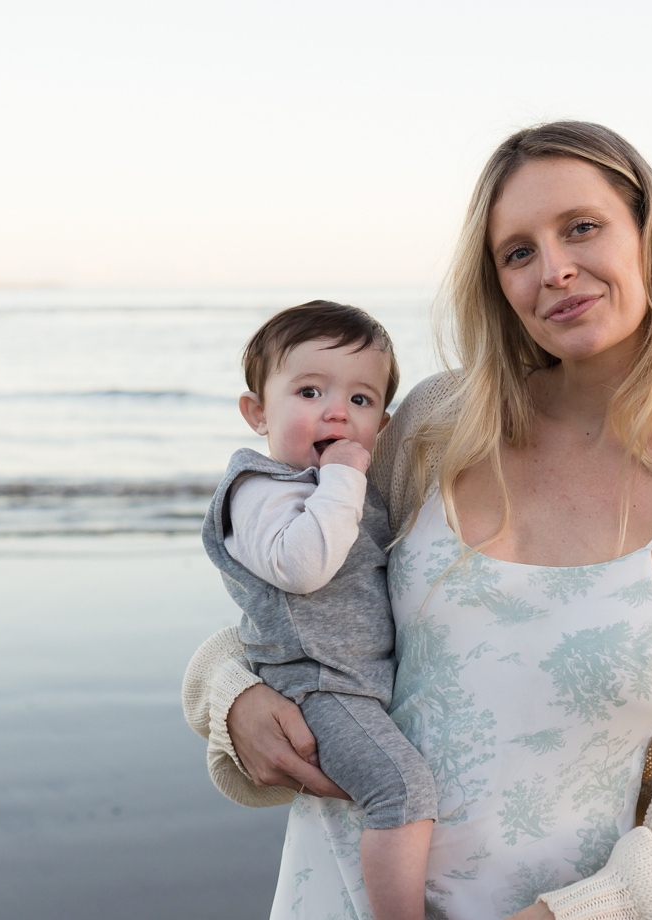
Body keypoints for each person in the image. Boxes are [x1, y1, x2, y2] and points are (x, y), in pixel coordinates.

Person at [181, 121, 652, 920]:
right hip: (329, 891)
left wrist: (572, 916)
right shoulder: (439, 425)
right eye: (517, 252)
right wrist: (226, 691)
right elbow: (302, 595)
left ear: (651, 236)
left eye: (581, 227)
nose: (553, 270)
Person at [201, 301, 434, 920]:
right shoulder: (260, 489)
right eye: (309, 390)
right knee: (402, 792)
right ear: (257, 412)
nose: (337, 411)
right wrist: (342, 480)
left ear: (381, 424)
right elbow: (303, 567)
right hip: (317, 689)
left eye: (361, 400)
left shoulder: (342, 485)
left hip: (354, 685)